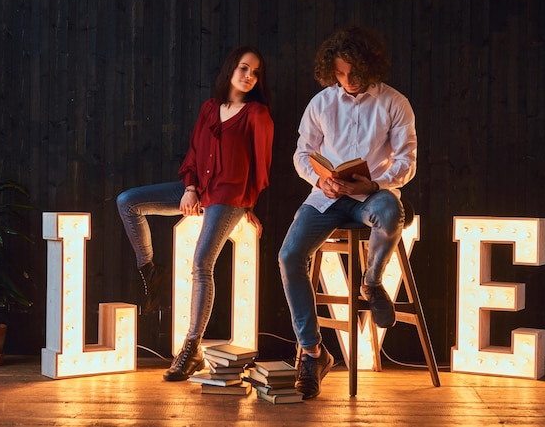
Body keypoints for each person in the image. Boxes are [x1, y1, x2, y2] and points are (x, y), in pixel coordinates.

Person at [116, 46, 274, 381]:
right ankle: (150, 270)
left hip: (229, 198)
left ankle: (191, 349)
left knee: (202, 263)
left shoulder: (257, 115)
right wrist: (189, 188)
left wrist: (250, 207)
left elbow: (261, 169)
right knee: (128, 201)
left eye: (255, 73)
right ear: (231, 69)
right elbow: (193, 154)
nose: (249, 77)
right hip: (198, 191)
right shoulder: (209, 109)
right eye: (244, 68)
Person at [278, 25, 417, 399]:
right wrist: (319, 180)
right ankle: (312, 352)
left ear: (369, 66)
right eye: (339, 73)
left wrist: (373, 184)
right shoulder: (320, 103)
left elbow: (407, 161)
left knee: (392, 209)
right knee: (289, 256)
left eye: (354, 71)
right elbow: (302, 154)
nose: (348, 80)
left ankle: (371, 284)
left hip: (370, 197)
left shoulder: (394, 102)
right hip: (326, 198)